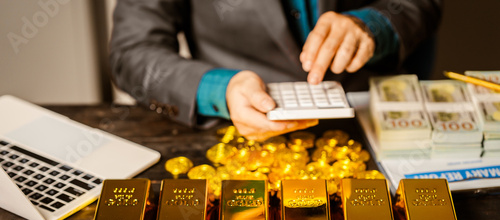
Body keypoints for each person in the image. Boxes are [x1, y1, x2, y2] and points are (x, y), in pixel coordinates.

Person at [110, 0, 442, 141]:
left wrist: (375, 25)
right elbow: (132, 51)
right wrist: (219, 89)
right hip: (233, 128)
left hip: (376, 121)